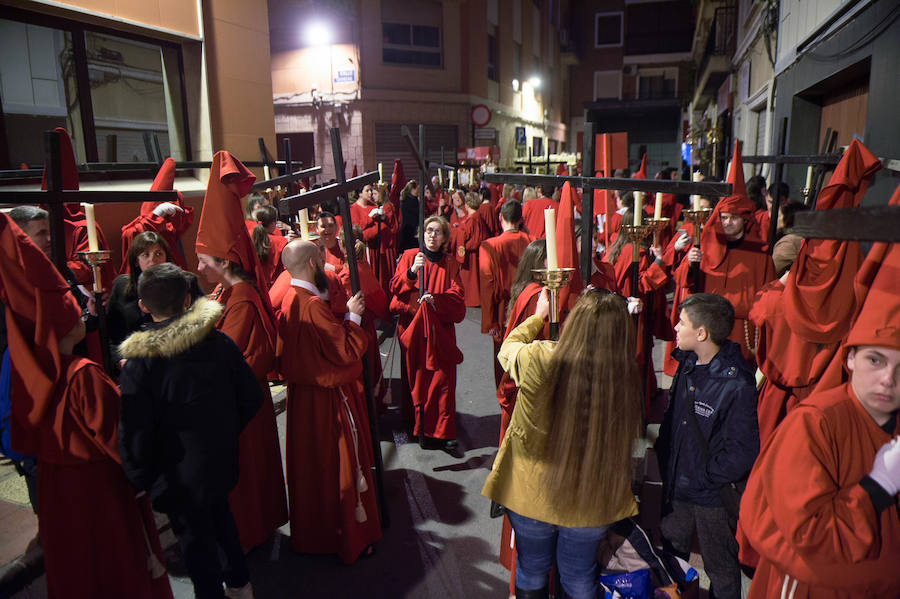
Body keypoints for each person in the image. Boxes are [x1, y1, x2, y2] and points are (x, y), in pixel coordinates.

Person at [737, 247, 900, 597]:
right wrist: (877, 488)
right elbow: (814, 542)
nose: (888, 379)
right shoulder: (815, 425)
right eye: (876, 360)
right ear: (851, 358)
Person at [483, 290, 643, 599]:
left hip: (531, 492)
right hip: (590, 498)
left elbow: (508, 349)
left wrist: (538, 316)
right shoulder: (623, 379)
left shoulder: (540, 357)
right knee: (580, 577)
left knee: (532, 569)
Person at [119, 264, 260, 599]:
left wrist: (140, 475)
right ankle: (241, 585)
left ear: (142, 305)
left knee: (196, 546)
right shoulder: (218, 341)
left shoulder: (140, 364)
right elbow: (251, 397)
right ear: (187, 299)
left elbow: (136, 429)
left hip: (175, 475)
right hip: (220, 458)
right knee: (223, 520)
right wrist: (224, 432)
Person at [195, 151, 288, 552]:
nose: (198, 268)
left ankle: (252, 535)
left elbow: (225, 354)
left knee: (247, 477)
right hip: (235, 403)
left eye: (202, 260)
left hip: (242, 408)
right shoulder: (225, 290)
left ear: (221, 261)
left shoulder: (242, 297)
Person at [275, 240, 382, 563]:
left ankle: (316, 535)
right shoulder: (311, 305)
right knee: (340, 468)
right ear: (312, 264)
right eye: (320, 259)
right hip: (327, 400)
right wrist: (352, 317)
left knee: (313, 468)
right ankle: (348, 538)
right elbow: (345, 351)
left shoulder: (290, 298)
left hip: (303, 400)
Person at [656, 293, 759, 599]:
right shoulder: (687, 364)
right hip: (677, 488)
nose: (675, 327)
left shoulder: (736, 383)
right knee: (671, 562)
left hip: (711, 497)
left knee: (721, 570)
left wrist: (705, 476)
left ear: (701, 333)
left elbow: (743, 449)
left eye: (682, 322)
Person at [665, 142, 775, 375]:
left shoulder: (760, 253)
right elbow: (683, 280)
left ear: (745, 220)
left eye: (733, 218)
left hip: (740, 336)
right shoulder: (705, 242)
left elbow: (768, 296)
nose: (727, 223)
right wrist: (690, 262)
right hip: (705, 334)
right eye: (724, 217)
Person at [391, 215, 466, 449]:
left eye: (438, 232)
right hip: (413, 328)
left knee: (443, 380)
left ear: (444, 237)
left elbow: (458, 297)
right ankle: (419, 425)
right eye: (429, 230)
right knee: (417, 379)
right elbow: (394, 287)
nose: (432, 235)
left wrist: (436, 302)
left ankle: (443, 431)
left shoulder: (450, 263)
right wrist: (412, 272)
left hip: (439, 329)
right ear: (421, 234)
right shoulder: (410, 256)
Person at [479, 200, 531, 387]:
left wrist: (490, 321)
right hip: (528, 305)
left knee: (502, 359)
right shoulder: (531, 241)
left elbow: (488, 284)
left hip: (503, 309)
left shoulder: (490, 245)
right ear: (521, 219)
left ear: (501, 217)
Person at [121, 157, 194, 270]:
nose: (153, 260)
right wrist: (155, 215)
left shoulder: (170, 233)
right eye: (146, 255)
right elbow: (131, 236)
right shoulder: (136, 230)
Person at [108, 231, 171, 353]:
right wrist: (120, 360)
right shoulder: (121, 286)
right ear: (136, 261)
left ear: (166, 258)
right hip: (131, 359)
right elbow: (111, 334)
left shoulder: (181, 284)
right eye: (145, 254)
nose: (153, 260)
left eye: (158, 254)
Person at [250, 204, 289, 287]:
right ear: (272, 223)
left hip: (255, 286)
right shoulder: (281, 242)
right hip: (275, 286)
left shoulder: (249, 237)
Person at [399, 179, 420, 251]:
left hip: (407, 228)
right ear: (413, 189)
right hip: (411, 229)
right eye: (418, 189)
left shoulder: (405, 199)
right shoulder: (412, 201)